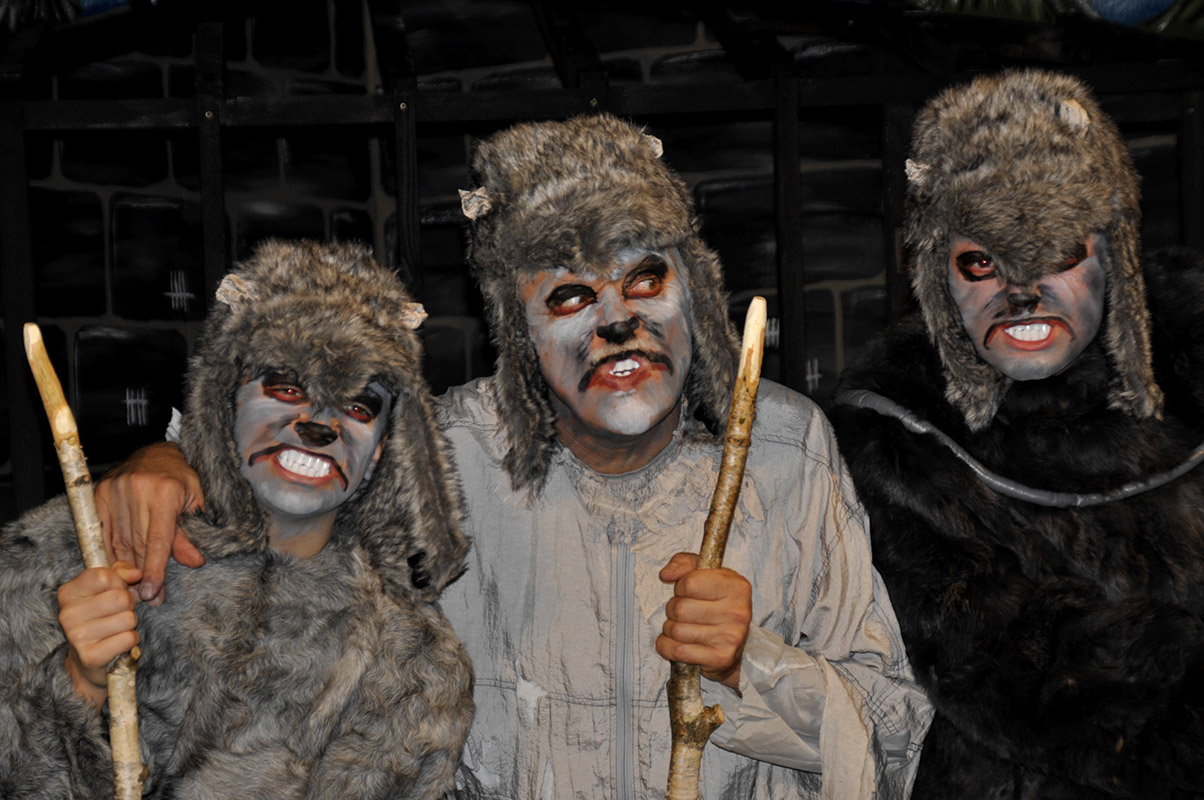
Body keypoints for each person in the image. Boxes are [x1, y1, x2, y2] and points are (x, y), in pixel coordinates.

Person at [96, 114, 932, 798]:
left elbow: (893, 736)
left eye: (645, 280)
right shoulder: (446, 455)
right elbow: (281, 483)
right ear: (519, 334)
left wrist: (754, 665)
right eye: (569, 295)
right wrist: (171, 465)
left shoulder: (785, 452)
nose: (616, 323)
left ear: (695, 290)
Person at [830, 68, 1204, 798]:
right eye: (982, 261)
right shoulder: (892, 433)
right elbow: (1000, 659)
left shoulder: (1193, 365)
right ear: (939, 275)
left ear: (1114, 254)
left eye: (1058, 252)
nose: (1021, 291)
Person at [0, 240, 473, 798]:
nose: (319, 425)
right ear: (225, 399)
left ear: (381, 448)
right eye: (288, 388)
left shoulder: (414, 663)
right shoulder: (66, 558)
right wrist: (77, 684)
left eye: (357, 406)